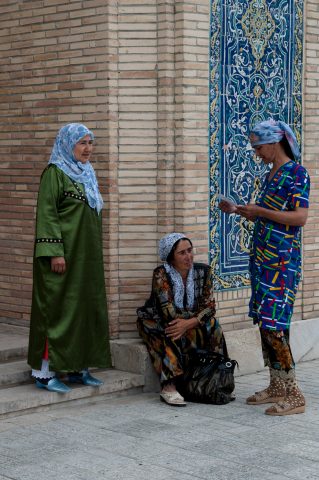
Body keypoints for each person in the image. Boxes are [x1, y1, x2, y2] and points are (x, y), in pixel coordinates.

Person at [219, 119, 310, 415]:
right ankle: (276, 385)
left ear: (274, 143)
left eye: (259, 147)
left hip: (282, 263)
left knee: (274, 327)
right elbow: (269, 216)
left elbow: (299, 218)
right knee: (264, 323)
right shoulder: (271, 174)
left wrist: (260, 211)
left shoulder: (297, 173)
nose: (256, 153)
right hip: (262, 260)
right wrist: (241, 211)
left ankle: (294, 393)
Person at [28, 123, 111, 393]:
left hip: (85, 258)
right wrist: (54, 252)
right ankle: (43, 373)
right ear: (68, 144)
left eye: (90, 143)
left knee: (83, 309)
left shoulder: (87, 174)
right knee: (55, 311)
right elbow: (47, 213)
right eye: (82, 143)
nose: (88, 148)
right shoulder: (54, 173)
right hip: (61, 257)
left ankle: (77, 367)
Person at [137, 232, 227, 406]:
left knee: (214, 325)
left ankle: (216, 379)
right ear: (171, 257)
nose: (189, 256)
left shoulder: (204, 271)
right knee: (170, 329)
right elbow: (168, 312)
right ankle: (169, 386)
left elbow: (209, 307)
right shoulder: (161, 274)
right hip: (156, 319)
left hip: (189, 322)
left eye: (190, 250)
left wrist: (191, 322)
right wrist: (192, 320)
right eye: (182, 253)